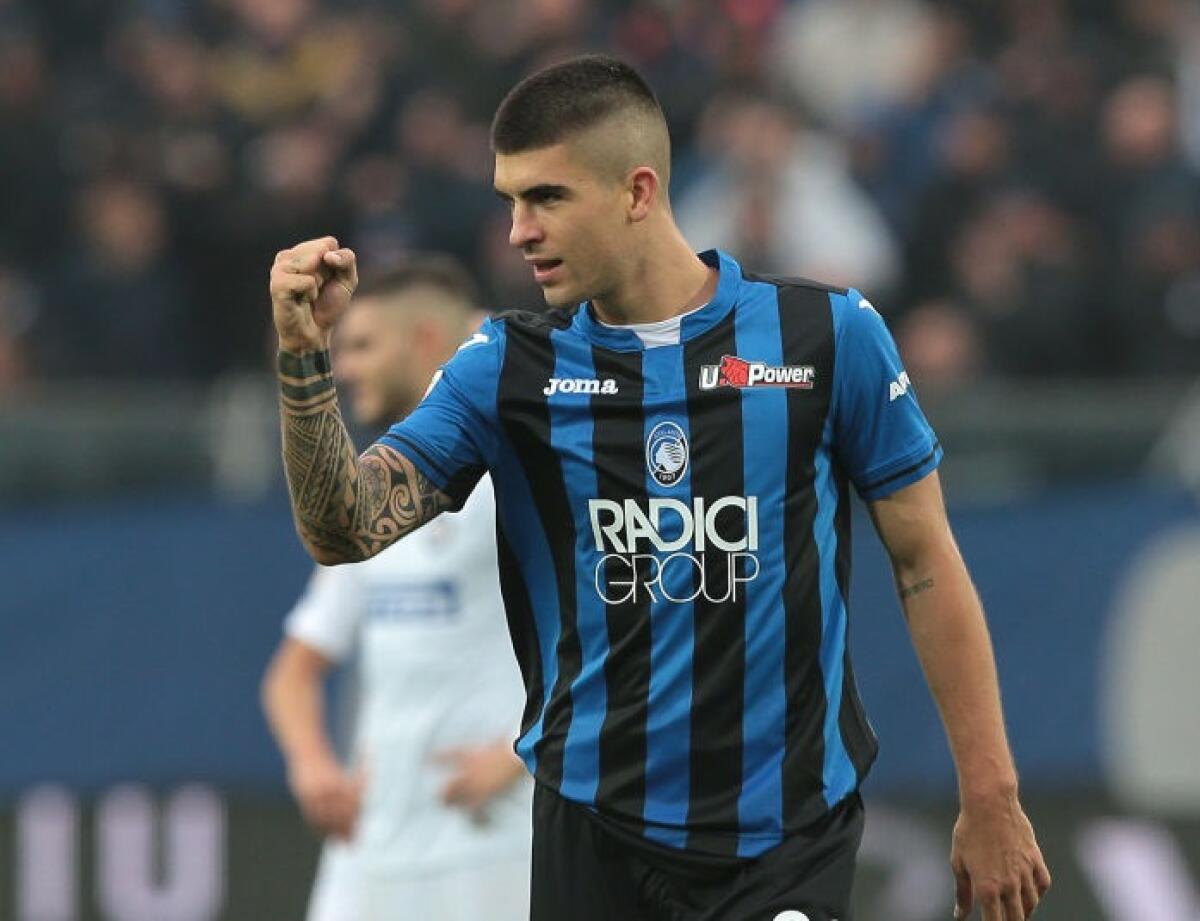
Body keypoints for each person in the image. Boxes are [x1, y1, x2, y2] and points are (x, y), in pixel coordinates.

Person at [267, 55, 1051, 921]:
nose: (519, 230)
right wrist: (303, 361)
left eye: (548, 198)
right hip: (593, 832)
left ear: (639, 191)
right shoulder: (506, 369)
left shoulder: (828, 337)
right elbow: (344, 530)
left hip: (784, 835)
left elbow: (924, 561)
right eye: (510, 201)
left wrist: (991, 794)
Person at [261, 258, 531, 921]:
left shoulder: (516, 479)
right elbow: (293, 672)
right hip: (373, 843)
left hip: (494, 835)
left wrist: (528, 744)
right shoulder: (369, 503)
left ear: (428, 343)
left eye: (361, 345)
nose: (346, 367)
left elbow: (627, 631)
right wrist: (314, 764)